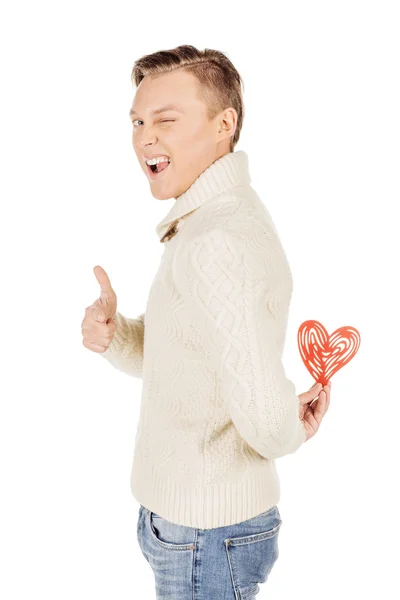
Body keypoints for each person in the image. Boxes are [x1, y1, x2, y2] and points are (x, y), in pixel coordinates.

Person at [81, 44, 331, 600]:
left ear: (225, 124)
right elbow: (185, 352)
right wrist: (114, 333)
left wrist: (292, 428)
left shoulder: (217, 240)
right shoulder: (207, 222)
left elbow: (265, 418)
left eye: (166, 119)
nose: (145, 136)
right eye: (138, 121)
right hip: (187, 524)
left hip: (206, 531)